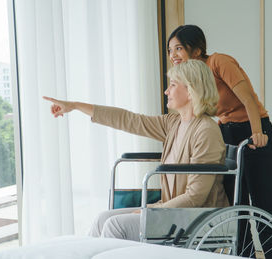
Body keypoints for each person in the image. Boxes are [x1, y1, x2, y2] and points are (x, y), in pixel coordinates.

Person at [43, 59, 229, 241]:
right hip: (173, 212)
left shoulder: (206, 131)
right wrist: (75, 106)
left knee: (115, 226)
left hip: (197, 218)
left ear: (190, 90)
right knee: (103, 219)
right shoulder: (174, 123)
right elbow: (129, 120)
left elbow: (195, 196)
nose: (166, 91)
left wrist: (153, 210)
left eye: (172, 85)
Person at [167, 25, 272, 257]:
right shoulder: (192, 76)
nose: (173, 55)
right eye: (170, 50)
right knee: (235, 208)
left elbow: (247, 97)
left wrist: (257, 133)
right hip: (227, 134)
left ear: (197, 49)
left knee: (263, 209)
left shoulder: (218, 62)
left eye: (178, 48)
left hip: (254, 129)